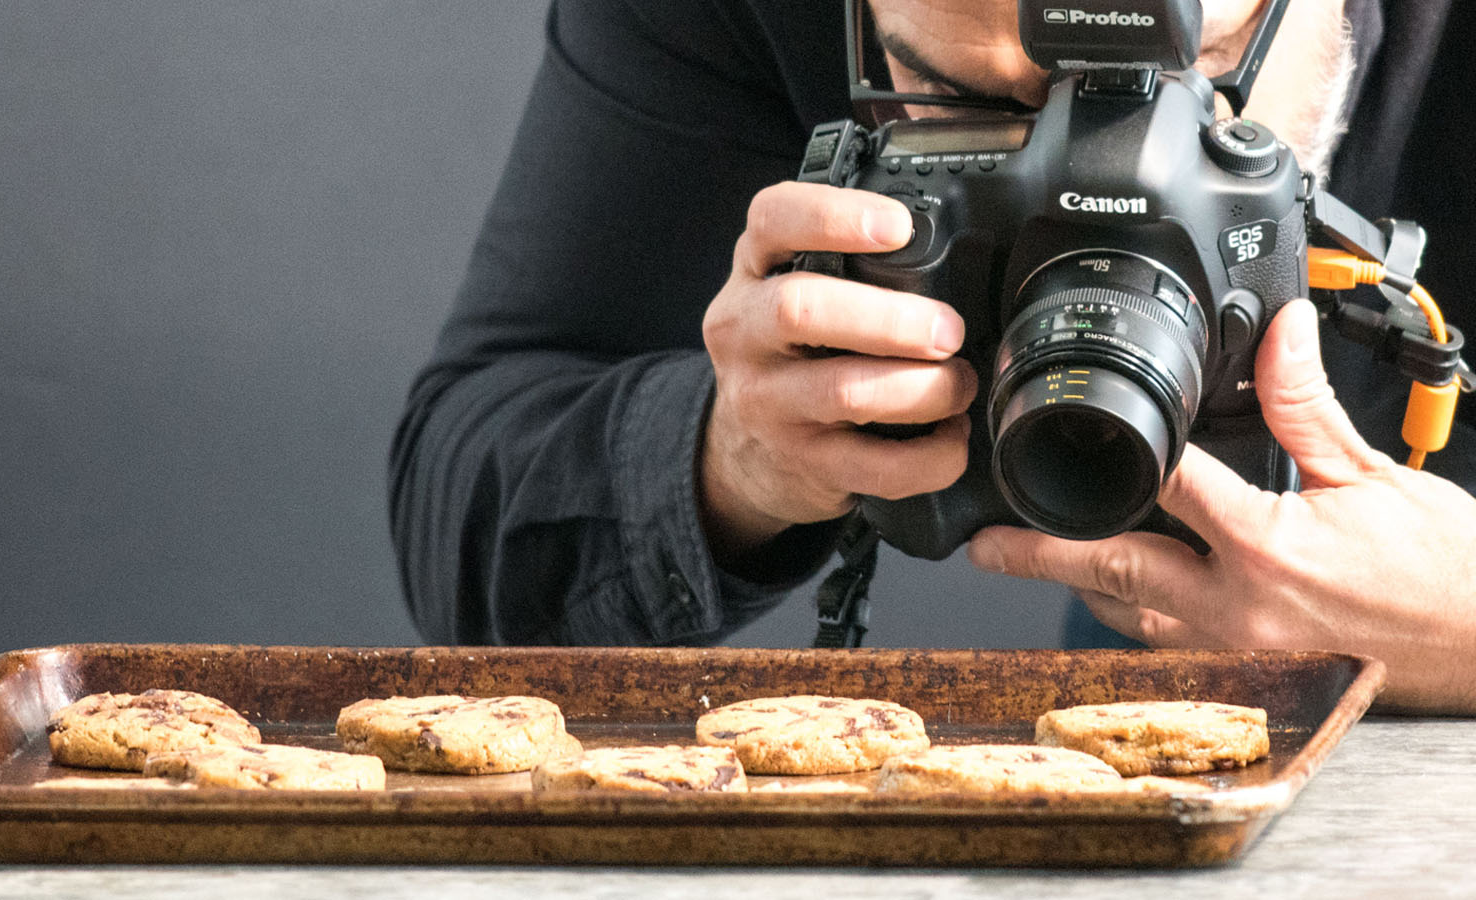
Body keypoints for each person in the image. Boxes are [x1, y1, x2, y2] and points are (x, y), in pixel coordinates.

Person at [390, 0, 1476, 712]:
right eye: (966, 100)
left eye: (1175, 87)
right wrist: (731, 464)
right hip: (1152, 684)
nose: (1093, 169)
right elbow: (465, 519)